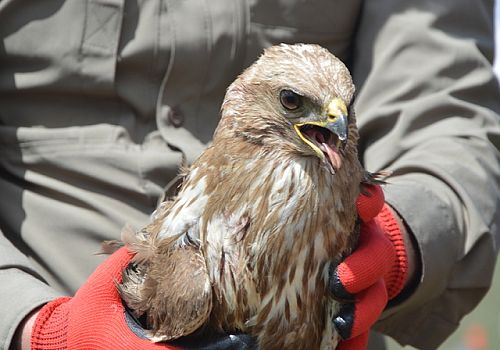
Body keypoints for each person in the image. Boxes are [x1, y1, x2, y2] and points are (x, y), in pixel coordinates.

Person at [1, 0, 499, 349]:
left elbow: (449, 110)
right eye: (292, 102)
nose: (336, 120)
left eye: (341, 111)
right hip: (46, 286)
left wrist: (401, 242)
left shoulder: (329, 129)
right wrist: (37, 331)